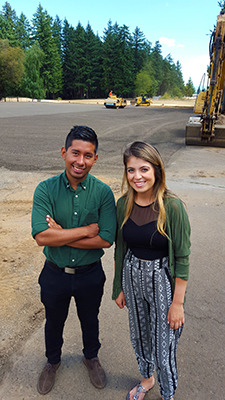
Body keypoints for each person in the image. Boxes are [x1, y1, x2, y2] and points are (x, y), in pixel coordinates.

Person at [32, 125, 116, 395]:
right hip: (54, 273)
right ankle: (52, 362)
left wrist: (60, 233)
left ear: (95, 159)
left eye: (88, 155)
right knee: (53, 321)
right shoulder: (45, 190)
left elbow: (105, 239)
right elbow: (42, 237)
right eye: (75, 153)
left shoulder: (103, 193)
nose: (81, 161)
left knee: (90, 319)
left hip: (90, 274)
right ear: (64, 152)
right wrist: (85, 231)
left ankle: (91, 357)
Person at [112, 141, 191, 400]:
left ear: (156, 170)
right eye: (131, 170)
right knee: (140, 335)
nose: (137, 177)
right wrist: (118, 287)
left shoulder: (173, 207)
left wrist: (177, 303)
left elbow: (182, 257)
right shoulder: (123, 204)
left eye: (143, 169)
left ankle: (167, 393)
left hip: (162, 279)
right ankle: (146, 379)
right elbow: (120, 249)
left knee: (163, 342)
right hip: (132, 275)